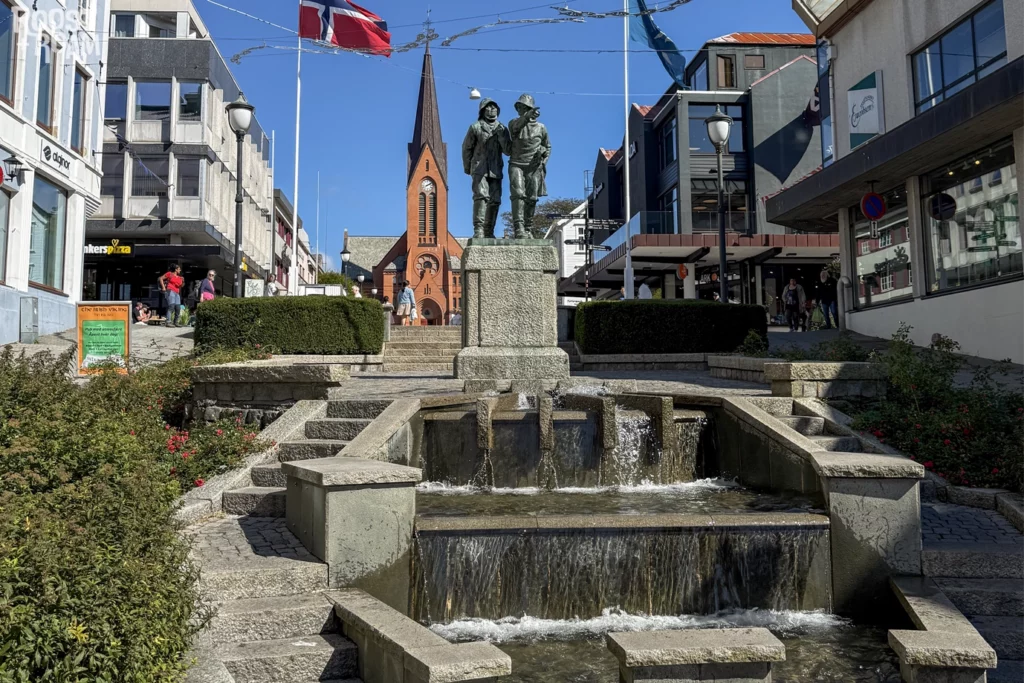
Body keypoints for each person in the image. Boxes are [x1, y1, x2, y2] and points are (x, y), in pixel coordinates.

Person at [462, 97, 509, 239]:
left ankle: (489, 230)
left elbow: (508, 150)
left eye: (494, 107)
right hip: (479, 168)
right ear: (483, 111)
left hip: (495, 169)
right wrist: (468, 167)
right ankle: (479, 229)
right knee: (481, 197)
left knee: (495, 200)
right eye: (488, 107)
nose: (492, 109)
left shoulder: (502, 129)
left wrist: (501, 137)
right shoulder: (475, 127)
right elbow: (466, 148)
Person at [507, 94, 551, 238]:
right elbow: (515, 129)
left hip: (534, 166)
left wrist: (543, 156)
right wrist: (527, 117)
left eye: (524, 107)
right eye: (519, 107)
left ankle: (528, 227)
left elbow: (548, 146)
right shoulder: (513, 123)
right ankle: (519, 228)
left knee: (531, 198)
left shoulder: (541, 128)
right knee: (518, 195)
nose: (520, 109)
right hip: (517, 164)